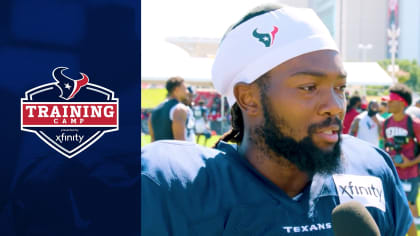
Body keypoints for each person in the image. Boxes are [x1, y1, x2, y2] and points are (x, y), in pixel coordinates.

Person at [141, 4, 412, 235]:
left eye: (339, 88)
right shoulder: (169, 187)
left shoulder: (370, 169)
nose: (335, 106)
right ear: (249, 98)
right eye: (308, 87)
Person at [382, 83, 420, 235]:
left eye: (391, 100)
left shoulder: (414, 124)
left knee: (408, 209)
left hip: (410, 174)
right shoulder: (385, 123)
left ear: (402, 103)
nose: (387, 103)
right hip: (392, 174)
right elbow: (386, 145)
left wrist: (410, 162)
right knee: (391, 209)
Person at [148, 76, 195, 141]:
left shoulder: (155, 110)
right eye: (185, 88)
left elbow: (152, 139)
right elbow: (180, 142)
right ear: (176, 89)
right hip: (175, 151)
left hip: (158, 150)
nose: (187, 92)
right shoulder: (179, 109)